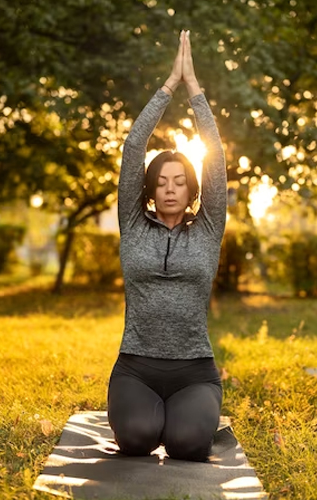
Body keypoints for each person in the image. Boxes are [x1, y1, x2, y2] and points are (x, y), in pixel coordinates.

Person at [107, 30, 227, 462]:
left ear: (191, 188)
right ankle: (145, 414)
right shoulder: (133, 224)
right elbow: (132, 147)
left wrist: (194, 89)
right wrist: (166, 88)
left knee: (188, 445)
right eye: (161, 181)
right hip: (135, 366)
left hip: (194, 370)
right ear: (151, 190)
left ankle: (191, 415)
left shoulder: (208, 228)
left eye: (179, 181)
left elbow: (215, 155)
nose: (170, 188)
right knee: (137, 438)